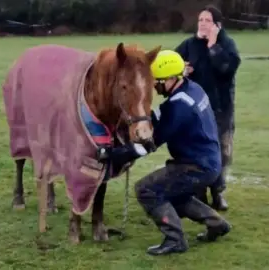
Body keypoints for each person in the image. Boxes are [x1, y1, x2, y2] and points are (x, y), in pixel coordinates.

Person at [98, 50, 231, 256]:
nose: (156, 87)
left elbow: (149, 145)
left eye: (158, 82)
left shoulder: (178, 107)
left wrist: (115, 154)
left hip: (195, 166)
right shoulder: (192, 89)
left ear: (172, 78)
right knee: (174, 193)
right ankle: (216, 223)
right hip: (209, 161)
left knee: (147, 190)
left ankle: (175, 239)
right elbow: (158, 116)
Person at [175, 4, 241, 211]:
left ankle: (218, 193)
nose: (203, 24)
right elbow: (171, 64)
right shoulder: (189, 45)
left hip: (220, 109)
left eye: (207, 21)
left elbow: (226, 69)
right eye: (200, 20)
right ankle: (198, 192)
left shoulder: (227, 45)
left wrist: (213, 45)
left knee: (221, 152)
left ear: (217, 25)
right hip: (195, 111)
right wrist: (181, 70)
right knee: (196, 151)